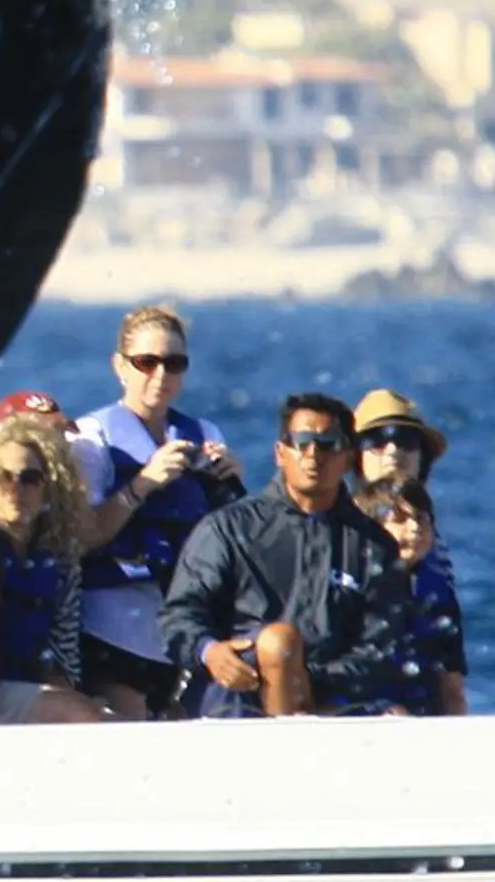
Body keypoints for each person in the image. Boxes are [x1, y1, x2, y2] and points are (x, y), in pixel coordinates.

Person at [158, 392, 423, 718]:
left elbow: (382, 645)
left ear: (347, 457)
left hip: (335, 701)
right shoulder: (227, 528)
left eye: (328, 443)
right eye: (302, 442)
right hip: (238, 694)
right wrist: (209, 652)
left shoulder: (374, 546)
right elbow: (179, 618)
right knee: (276, 642)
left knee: (395, 717)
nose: (314, 454)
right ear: (280, 453)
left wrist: (302, 678)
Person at [68, 304, 248, 719]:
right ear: (120, 366)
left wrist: (232, 484)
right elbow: (82, 537)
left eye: (174, 363)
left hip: (185, 625)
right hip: (111, 627)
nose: (160, 375)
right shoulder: (91, 439)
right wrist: (142, 484)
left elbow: (231, 542)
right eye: (146, 362)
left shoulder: (203, 434)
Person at [0, 412, 105, 724]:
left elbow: (63, 657)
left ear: (47, 488)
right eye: (4, 476)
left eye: (30, 479)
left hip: (26, 688)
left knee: (113, 723)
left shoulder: (61, 562)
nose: (16, 488)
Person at [344, 482, 469, 715]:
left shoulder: (439, 593)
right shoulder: (350, 588)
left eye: (422, 519)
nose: (414, 528)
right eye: (400, 519)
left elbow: (452, 684)